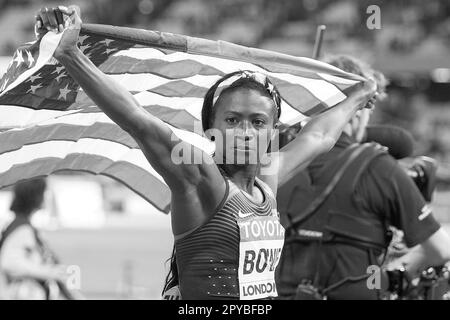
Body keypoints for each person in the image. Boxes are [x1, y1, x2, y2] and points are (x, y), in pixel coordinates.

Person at [34, 6, 376, 299]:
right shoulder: (201, 180)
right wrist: (71, 54)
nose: (244, 132)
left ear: (274, 131)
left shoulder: (266, 184)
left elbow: (318, 137)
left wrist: (358, 97)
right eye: (232, 120)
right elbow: (138, 120)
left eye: (258, 122)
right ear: (211, 127)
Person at [275, 55, 450, 300]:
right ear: (357, 109)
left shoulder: (275, 162)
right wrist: (395, 275)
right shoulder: (378, 166)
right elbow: (441, 248)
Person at [0, 178, 72, 300]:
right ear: (36, 196)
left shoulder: (20, 225)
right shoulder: (22, 229)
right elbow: (10, 263)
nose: (47, 197)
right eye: (45, 192)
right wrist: (49, 272)